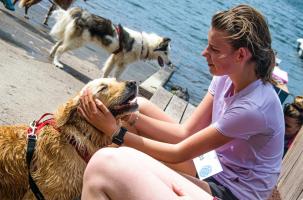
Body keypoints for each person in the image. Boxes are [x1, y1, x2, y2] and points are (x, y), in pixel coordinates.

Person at [78, 4, 284, 200]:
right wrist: (130, 116)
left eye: (214, 49)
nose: (204, 53)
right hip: (213, 166)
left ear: (241, 55)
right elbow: (185, 133)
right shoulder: (225, 76)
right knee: (140, 105)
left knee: (105, 164)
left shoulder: (253, 108)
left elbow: (178, 153)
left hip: (228, 192)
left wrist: (116, 132)